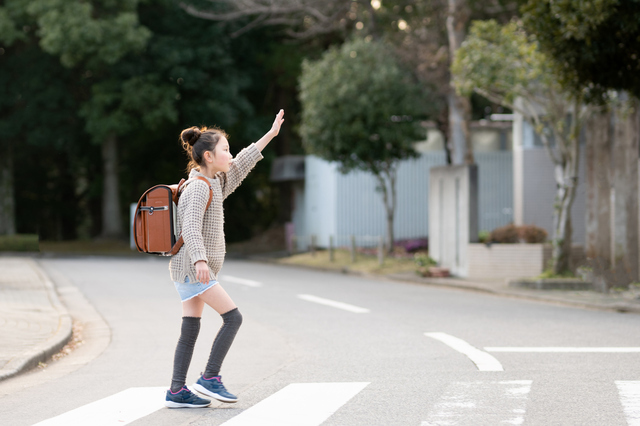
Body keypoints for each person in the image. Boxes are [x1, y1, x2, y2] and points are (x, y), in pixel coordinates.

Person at [165, 110, 285, 408]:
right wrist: (200, 261)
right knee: (233, 318)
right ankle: (210, 377)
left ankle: (177, 391)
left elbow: (243, 162)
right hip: (194, 270)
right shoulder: (197, 187)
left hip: (187, 270)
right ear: (208, 156)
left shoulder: (215, 182)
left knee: (190, 328)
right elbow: (190, 227)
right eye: (225, 150)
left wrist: (270, 135)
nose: (230, 155)